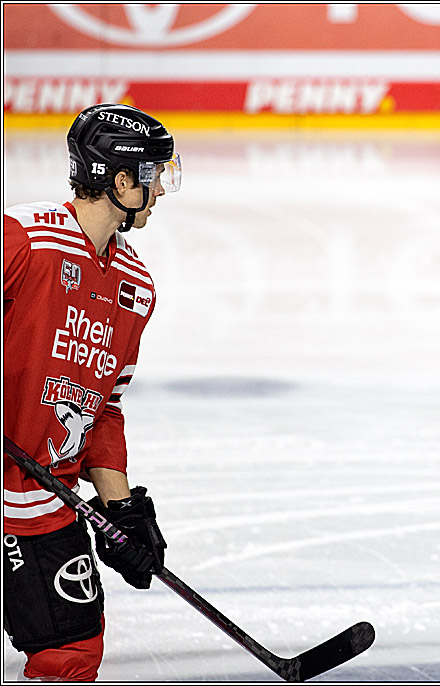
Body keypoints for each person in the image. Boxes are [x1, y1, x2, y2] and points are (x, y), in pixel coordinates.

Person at [3, 103, 182, 681]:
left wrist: (120, 507)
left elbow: (102, 407)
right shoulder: (22, 238)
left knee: (72, 655)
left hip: (41, 501)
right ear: (120, 181)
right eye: (152, 178)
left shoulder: (135, 285)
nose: (158, 193)